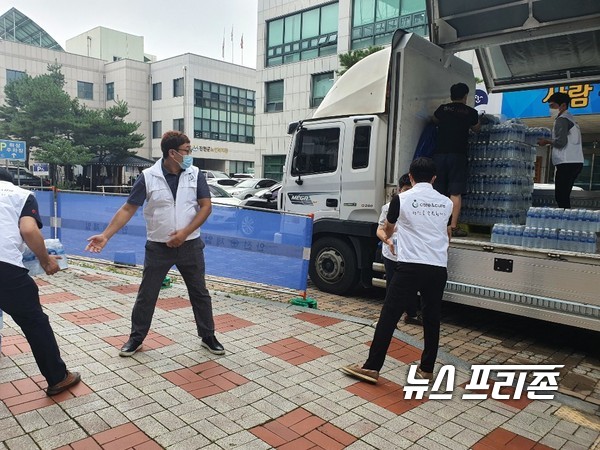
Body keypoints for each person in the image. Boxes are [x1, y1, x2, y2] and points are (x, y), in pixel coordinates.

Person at [86, 131, 225, 357]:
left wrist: (184, 232)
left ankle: (208, 335)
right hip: (158, 247)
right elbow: (128, 208)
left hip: (190, 245)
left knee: (200, 292)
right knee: (147, 294)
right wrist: (106, 235)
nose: (190, 155)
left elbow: (206, 207)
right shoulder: (148, 176)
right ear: (172, 153)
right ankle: (136, 338)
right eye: (187, 151)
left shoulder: (195, 174)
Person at [341, 157, 453, 383]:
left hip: (410, 266)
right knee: (432, 318)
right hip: (438, 267)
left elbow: (389, 229)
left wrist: (389, 236)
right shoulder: (447, 202)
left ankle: (372, 367)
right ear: (434, 178)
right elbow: (446, 231)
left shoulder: (401, 199)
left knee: (389, 316)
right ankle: (427, 369)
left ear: (410, 177)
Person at [0, 168, 81, 396]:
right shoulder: (20, 194)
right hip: (4, 267)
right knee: (34, 321)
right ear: (11, 181)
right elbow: (28, 229)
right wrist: (46, 261)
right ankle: (58, 378)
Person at [432, 82, 480, 237]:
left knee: (438, 190)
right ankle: (452, 227)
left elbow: (433, 120)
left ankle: (435, 224)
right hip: (458, 155)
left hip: (439, 154)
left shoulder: (442, 109)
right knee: (455, 191)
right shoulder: (470, 112)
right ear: (465, 96)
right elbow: (476, 128)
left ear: (451, 95)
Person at [375, 173, 422, 327]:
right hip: (391, 255)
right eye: (405, 189)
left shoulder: (418, 208)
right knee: (392, 287)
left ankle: (411, 314)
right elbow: (380, 230)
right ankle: (389, 320)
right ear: (399, 190)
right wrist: (387, 240)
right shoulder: (388, 208)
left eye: (411, 189)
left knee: (411, 286)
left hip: (409, 255)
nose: (408, 193)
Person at [537, 92, 584, 209]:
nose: (550, 109)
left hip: (566, 163)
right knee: (564, 195)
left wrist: (547, 141)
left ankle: (564, 220)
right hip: (575, 161)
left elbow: (561, 142)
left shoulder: (561, 120)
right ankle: (566, 218)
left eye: (552, 106)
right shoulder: (571, 119)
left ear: (563, 106)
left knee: (561, 196)